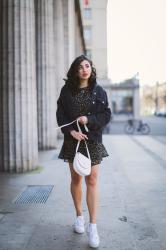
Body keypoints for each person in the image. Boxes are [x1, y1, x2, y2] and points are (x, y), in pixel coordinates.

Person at [56, 55, 111, 248]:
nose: (84, 69)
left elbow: (106, 114)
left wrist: (89, 121)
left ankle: (93, 226)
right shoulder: (66, 91)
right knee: (76, 179)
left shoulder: (98, 90)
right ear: (75, 71)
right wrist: (71, 131)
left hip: (93, 140)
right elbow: (60, 114)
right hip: (73, 142)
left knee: (92, 180)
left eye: (87, 66)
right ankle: (79, 216)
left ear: (91, 69)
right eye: (80, 67)